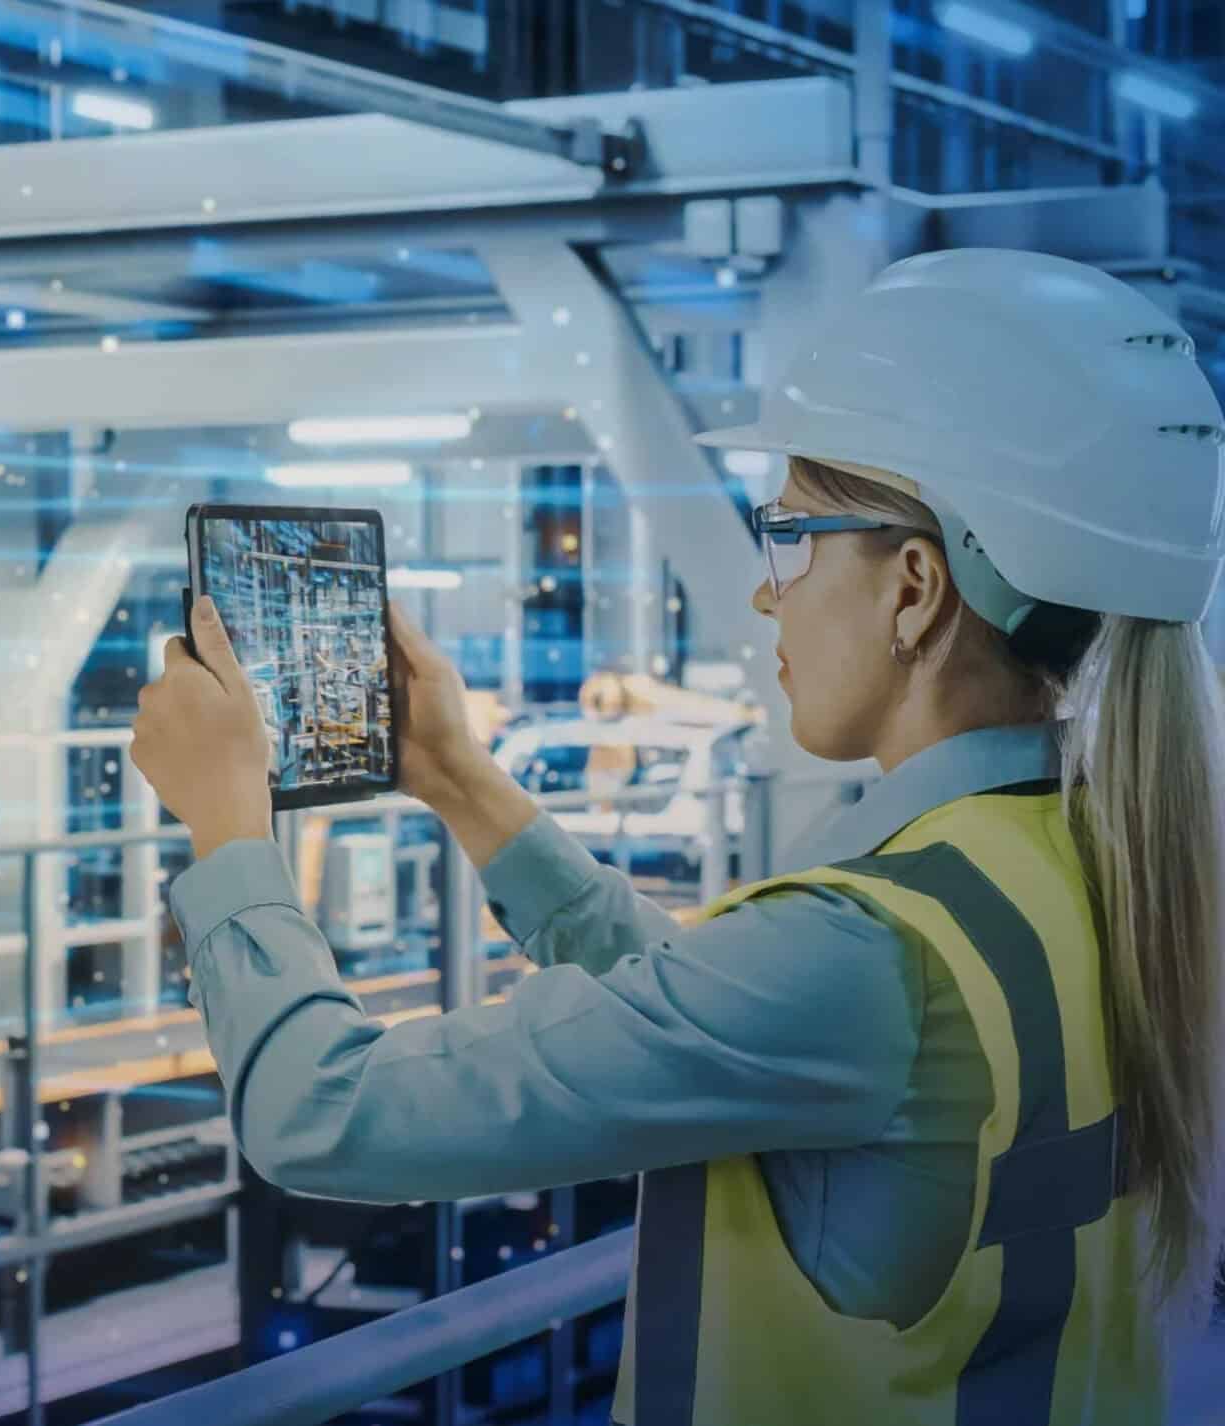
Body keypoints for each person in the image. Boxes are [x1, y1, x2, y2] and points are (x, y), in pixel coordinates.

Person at [128, 249, 1225, 1424]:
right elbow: (723, 1015)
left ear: (913, 587)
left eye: (790, 533)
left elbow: (318, 1114)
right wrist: (460, 779)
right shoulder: (1094, 871)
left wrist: (229, 829)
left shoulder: (864, 954)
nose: (766, 593)